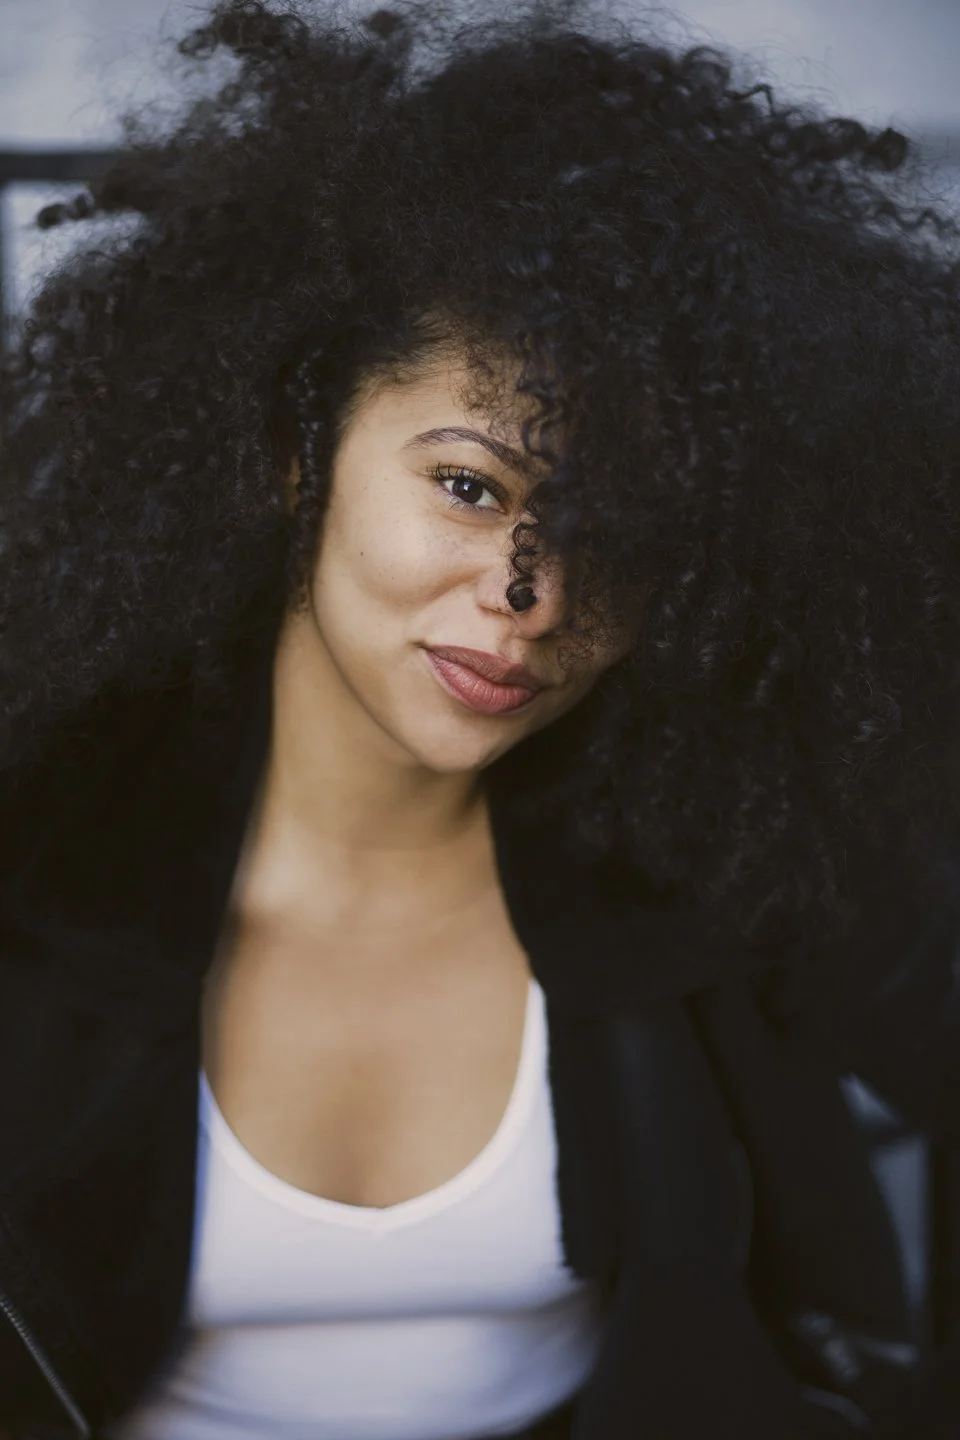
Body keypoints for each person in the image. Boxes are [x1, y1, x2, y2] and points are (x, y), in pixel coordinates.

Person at [3, 0, 960, 1435]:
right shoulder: (43, 845)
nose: (533, 598)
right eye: (472, 486)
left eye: (617, 534)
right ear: (297, 446)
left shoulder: (720, 850)